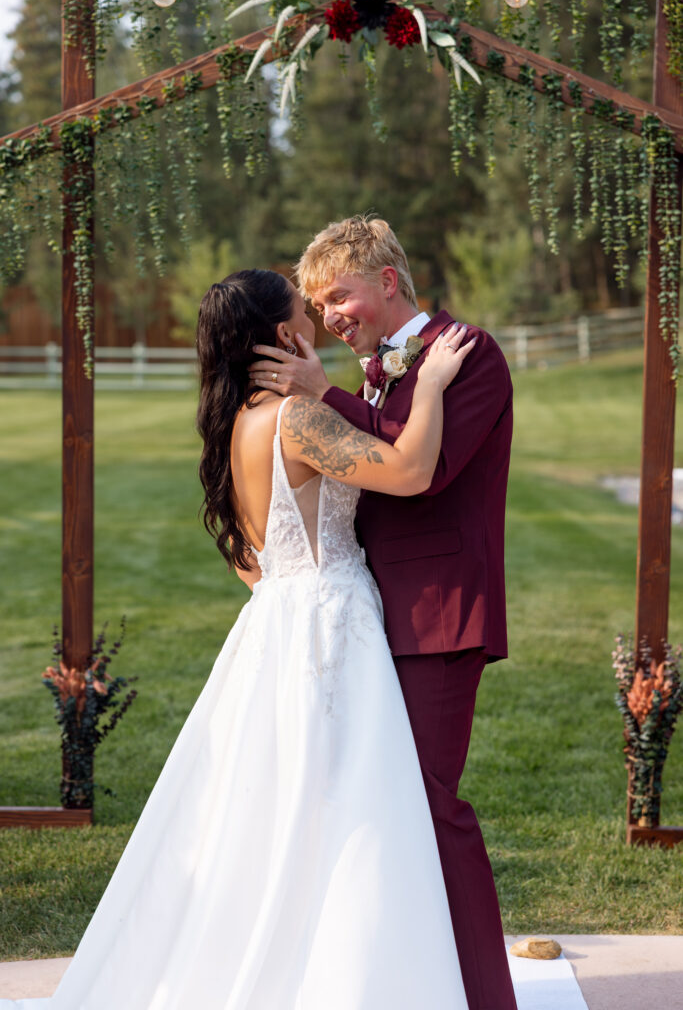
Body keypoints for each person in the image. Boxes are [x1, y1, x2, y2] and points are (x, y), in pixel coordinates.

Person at [0, 268, 475, 1010]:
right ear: (285, 335)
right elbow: (411, 472)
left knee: (275, 802)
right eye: (303, 310)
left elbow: (245, 554)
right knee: (349, 799)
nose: (314, 317)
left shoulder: (237, 423)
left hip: (276, 621)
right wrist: (438, 381)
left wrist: (292, 590)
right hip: (330, 625)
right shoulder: (295, 419)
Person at [249, 216, 517, 1010]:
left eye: (339, 296)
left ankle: (483, 996)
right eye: (318, 304)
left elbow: (420, 471)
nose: (330, 315)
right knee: (375, 806)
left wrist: (322, 394)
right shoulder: (373, 372)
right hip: (364, 618)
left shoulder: (466, 354)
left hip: (437, 619)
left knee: (434, 810)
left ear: (388, 281)